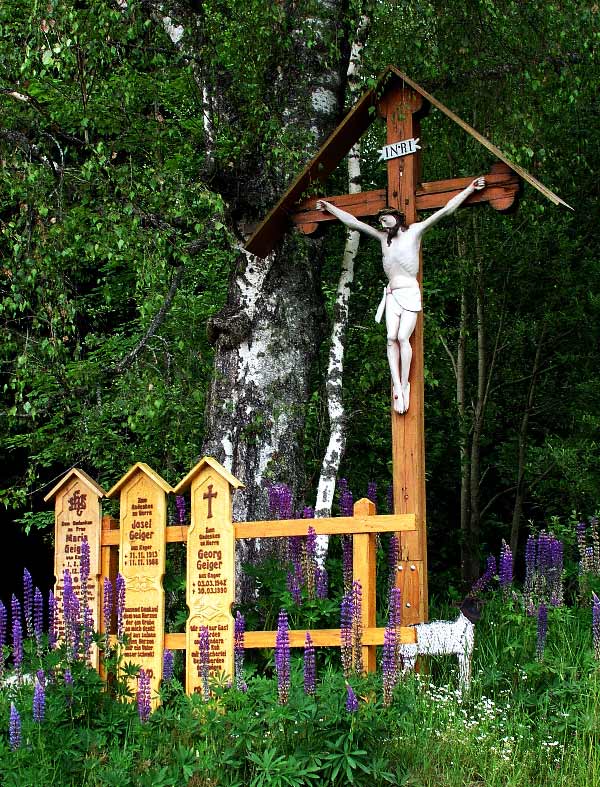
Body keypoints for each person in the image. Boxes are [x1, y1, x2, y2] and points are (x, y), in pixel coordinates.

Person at [316, 176, 486, 413]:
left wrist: (469, 190)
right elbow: (354, 223)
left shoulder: (414, 232)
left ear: (397, 218)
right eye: (381, 222)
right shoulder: (383, 239)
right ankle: (397, 386)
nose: (384, 225)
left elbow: (446, 210)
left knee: (403, 338)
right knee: (390, 338)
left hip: (410, 292)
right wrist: (330, 207)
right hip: (392, 295)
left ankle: (405, 383)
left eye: (386, 220)